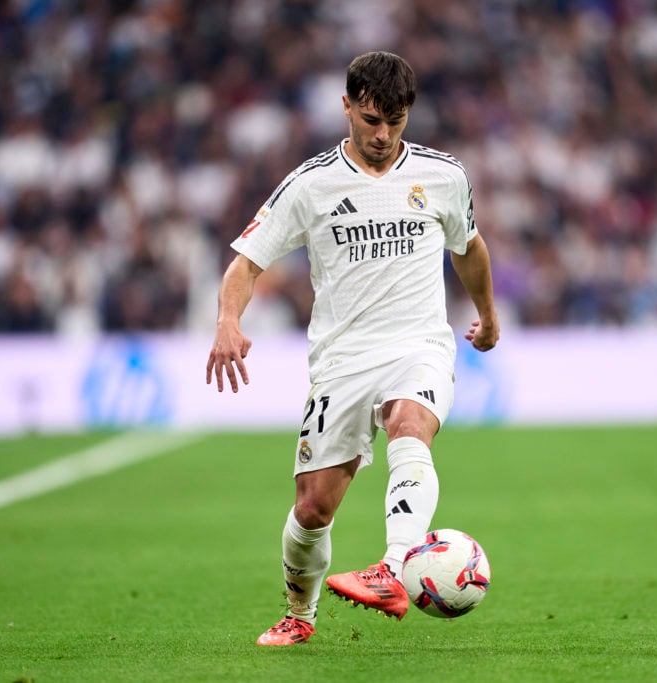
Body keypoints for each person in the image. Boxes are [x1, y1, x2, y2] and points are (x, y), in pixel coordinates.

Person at [206, 51, 499, 646]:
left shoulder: (442, 175)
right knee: (313, 509)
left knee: (410, 423)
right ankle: (300, 613)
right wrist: (227, 320)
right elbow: (247, 263)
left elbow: (469, 247)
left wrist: (488, 316)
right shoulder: (310, 184)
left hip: (419, 343)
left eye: (395, 119)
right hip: (342, 358)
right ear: (346, 106)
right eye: (370, 119)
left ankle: (393, 569)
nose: (383, 134)